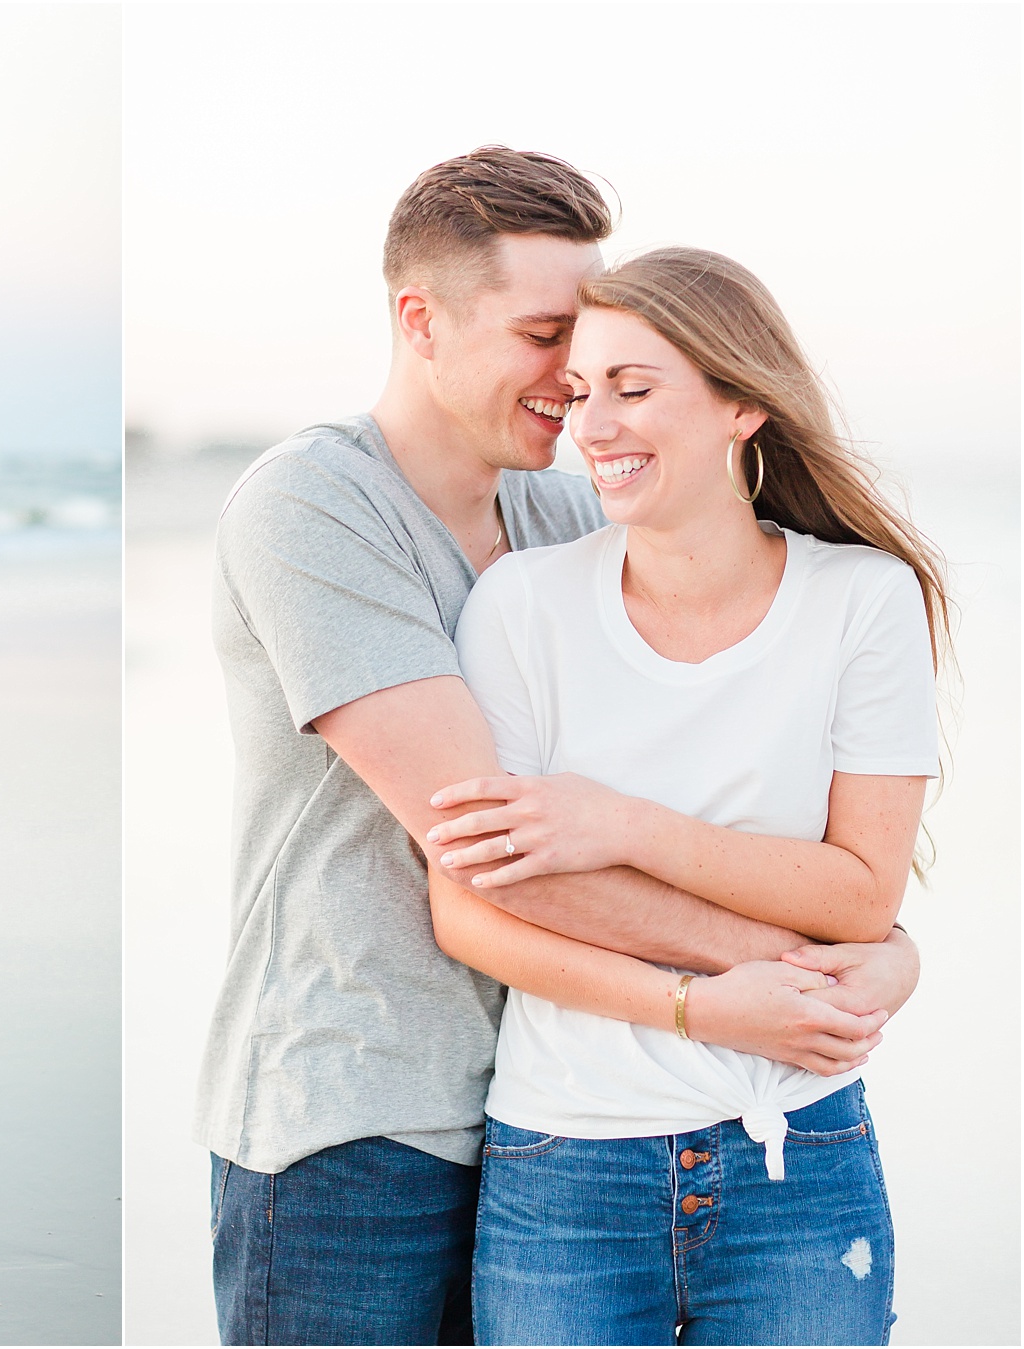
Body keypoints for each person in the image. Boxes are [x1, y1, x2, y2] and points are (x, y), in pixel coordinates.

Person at [198, 148, 923, 1345]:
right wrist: (824, 965)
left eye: (592, 353)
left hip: (538, 1114)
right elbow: (499, 854)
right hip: (357, 1117)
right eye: (546, 336)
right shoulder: (314, 505)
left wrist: (875, 946)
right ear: (419, 321)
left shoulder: (556, 514)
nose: (571, 386)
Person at [425, 248, 942, 1345]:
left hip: (796, 1156)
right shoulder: (522, 606)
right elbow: (465, 906)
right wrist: (693, 1003)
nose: (593, 425)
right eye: (583, 393)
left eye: (635, 387)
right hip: (563, 1167)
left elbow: (859, 893)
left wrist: (619, 824)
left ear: (742, 403)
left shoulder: (862, 602)